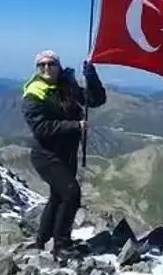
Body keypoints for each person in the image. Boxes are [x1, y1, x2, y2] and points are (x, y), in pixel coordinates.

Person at [21, 50, 106, 259]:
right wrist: (75, 126)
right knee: (71, 193)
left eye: (51, 64)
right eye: (41, 65)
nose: (47, 68)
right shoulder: (34, 93)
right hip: (46, 155)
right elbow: (41, 128)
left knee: (58, 197)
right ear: (37, 69)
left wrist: (91, 75)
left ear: (58, 65)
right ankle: (62, 245)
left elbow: (95, 100)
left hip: (66, 153)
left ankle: (42, 240)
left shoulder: (66, 86)